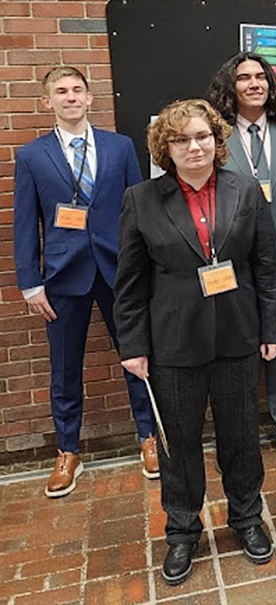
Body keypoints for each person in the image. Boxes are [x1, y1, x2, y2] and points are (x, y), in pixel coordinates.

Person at [114, 99, 276, 584]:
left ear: (217, 140)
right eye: (182, 139)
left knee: (241, 437)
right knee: (179, 444)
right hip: (173, 344)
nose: (195, 147)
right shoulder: (141, 200)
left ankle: (247, 518)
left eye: (203, 137)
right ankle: (183, 530)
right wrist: (132, 345)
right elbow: (128, 284)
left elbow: (268, 268)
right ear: (165, 148)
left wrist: (272, 329)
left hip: (236, 336)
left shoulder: (246, 190)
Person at [13, 66, 158, 498]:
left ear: (91, 97)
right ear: (48, 102)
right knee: (64, 368)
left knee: (138, 355)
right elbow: (25, 223)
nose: (71, 97)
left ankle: (148, 438)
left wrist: (146, 267)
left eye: (78, 90)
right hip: (62, 276)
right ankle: (67, 450)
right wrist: (30, 283)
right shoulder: (32, 156)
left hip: (120, 271)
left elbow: (139, 210)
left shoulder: (120, 147)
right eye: (61, 91)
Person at [207, 51, 276, 465]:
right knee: (233, 354)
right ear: (230, 87)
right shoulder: (214, 138)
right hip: (231, 265)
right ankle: (237, 433)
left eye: (260, 77)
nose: (254, 84)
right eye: (244, 78)